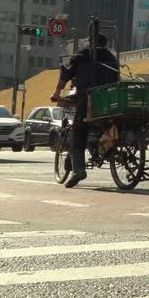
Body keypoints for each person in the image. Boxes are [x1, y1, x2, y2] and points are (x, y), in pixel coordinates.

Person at [50, 33, 119, 188]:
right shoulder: (112, 58)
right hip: (109, 100)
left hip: (87, 98)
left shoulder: (81, 56)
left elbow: (65, 75)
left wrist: (56, 93)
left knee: (78, 132)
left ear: (91, 42)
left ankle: (78, 170)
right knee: (102, 125)